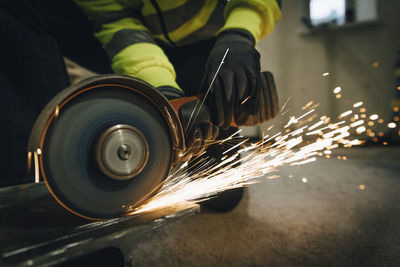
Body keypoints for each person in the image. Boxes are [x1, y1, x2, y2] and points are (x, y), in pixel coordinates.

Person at [0, 0, 281, 188]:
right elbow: (119, 26)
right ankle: (34, 176)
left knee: (220, 189)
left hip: (209, 42)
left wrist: (240, 34)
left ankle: (219, 131)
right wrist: (164, 94)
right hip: (134, 40)